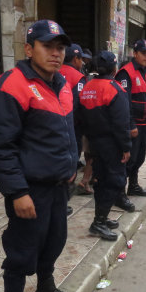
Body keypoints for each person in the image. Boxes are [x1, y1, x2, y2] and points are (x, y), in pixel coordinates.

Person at [0, 20, 78, 292]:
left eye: (60, 47)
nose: (56, 53)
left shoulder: (62, 83)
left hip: (57, 187)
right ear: (28, 48)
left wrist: (72, 164)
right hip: (29, 189)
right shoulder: (11, 85)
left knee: (54, 242)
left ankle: (45, 288)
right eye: (47, 46)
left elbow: (63, 131)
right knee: (21, 254)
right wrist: (17, 191)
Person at [79, 51, 131, 241]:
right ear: (114, 68)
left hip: (93, 143)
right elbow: (121, 123)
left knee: (100, 179)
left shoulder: (87, 87)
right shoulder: (115, 89)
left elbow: (80, 117)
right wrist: (126, 147)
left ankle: (101, 217)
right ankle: (99, 223)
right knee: (115, 181)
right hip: (112, 144)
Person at [115, 39, 146, 209]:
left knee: (139, 158)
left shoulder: (144, 72)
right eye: (144, 53)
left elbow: (142, 96)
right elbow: (124, 102)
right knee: (128, 161)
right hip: (133, 126)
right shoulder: (126, 73)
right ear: (135, 54)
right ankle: (119, 195)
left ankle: (133, 186)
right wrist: (131, 125)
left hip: (145, 123)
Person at [60, 43, 92, 201]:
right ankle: (64, 198)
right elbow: (79, 103)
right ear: (76, 58)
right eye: (81, 59)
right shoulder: (78, 77)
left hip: (52, 124)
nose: (83, 63)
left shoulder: (54, 71)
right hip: (72, 126)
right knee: (71, 160)